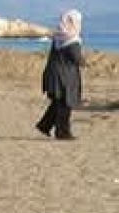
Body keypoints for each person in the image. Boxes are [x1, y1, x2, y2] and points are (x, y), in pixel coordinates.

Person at [35, 10, 84, 140]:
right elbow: (77, 59)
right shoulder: (72, 40)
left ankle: (44, 125)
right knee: (65, 105)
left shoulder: (59, 37)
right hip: (65, 78)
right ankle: (62, 133)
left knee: (57, 103)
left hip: (53, 74)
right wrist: (86, 62)